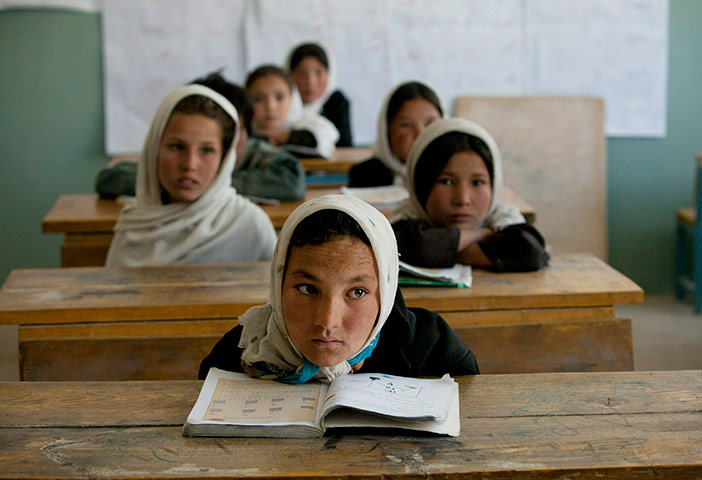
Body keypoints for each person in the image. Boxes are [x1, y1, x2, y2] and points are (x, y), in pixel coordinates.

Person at [198, 194, 479, 383]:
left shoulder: (434, 350)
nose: (327, 321)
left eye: (357, 292)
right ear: (278, 282)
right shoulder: (237, 355)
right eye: (308, 289)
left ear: (386, 290)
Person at [105, 84, 277, 267]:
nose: (189, 165)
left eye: (206, 150)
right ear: (155, 150)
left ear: (224, 159)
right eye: (177, 147)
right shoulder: (135, 225)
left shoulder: (249, 225)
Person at [95, 72, 306, 202]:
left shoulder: (259, 154)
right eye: (179, 146)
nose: (191, 164)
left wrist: (211, 184)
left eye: (233, 131)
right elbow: (109, 179)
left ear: (247, 133)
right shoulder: (178, 161)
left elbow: (293, 181)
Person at [390, 118, 549, 272]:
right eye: (446, 181)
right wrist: (482, 234)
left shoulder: (501, 217)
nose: (462, 199)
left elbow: (530, 252)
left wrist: (442, 251)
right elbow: (416, 247)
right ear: (420, 185)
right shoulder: (403, 221)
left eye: (478, 182)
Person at [348, 80, 443, 188]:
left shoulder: (451, 173)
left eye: (429, 123)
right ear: (386, 130)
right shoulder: (364, 175)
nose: (420, 134)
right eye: (406, 125)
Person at [246, 64, 339, 158]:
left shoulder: (313, 124)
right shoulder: (241, 130)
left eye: (279, 97)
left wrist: (281, 136)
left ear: (292, 99)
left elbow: (323, 141)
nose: (271, 106)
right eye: (259, 99)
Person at [286, 41, 352, 147]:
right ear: (289, 75)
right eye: (301, 73)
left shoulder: (336, 101)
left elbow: (345, 147)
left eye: (318, 72)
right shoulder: (280, 102)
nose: (310, 81)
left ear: (329, 74)